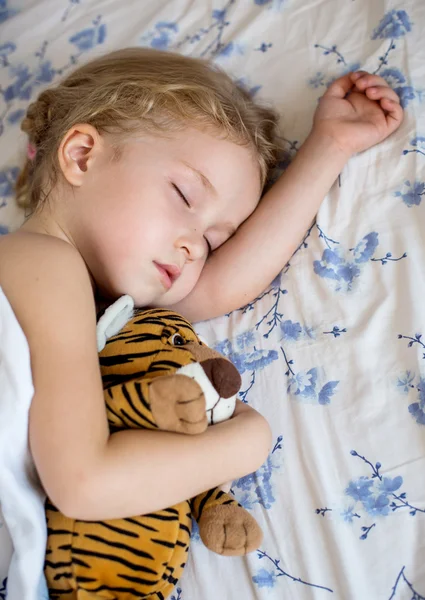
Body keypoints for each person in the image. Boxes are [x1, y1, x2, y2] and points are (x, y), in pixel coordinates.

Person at [0, 48, 402, 521]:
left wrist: (331, 145)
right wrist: (247, 441)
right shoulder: (41, 265)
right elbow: (85, 485)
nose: (195, 247)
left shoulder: (98, 307)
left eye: (215, 241)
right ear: (82, 156)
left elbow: (216, 288)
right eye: (183, 195)